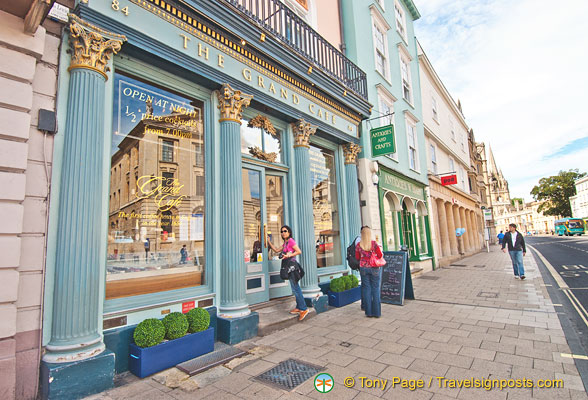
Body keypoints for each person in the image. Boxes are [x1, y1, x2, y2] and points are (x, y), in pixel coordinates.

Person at [268, 225, 309, 321]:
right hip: (288, 267)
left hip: (292, 267)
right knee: (295, 287)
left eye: (285, 231)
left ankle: (303, 309)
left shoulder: (290, 241)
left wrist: (289, 255)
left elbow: (299, 251)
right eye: (281, 231)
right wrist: (269, 241)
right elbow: (276, 250)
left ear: (289, 232)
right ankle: (299, 307)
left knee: (295, 288)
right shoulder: (285, 243)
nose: (283, 233)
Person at [355, 226, 384, 318]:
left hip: (363, 268)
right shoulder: (374, 244)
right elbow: (379, 255)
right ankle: (377, 312)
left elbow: (357, 258)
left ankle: (369, 312)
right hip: (374, 268)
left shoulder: (359, 245)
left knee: (366, 289)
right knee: (375, 289)